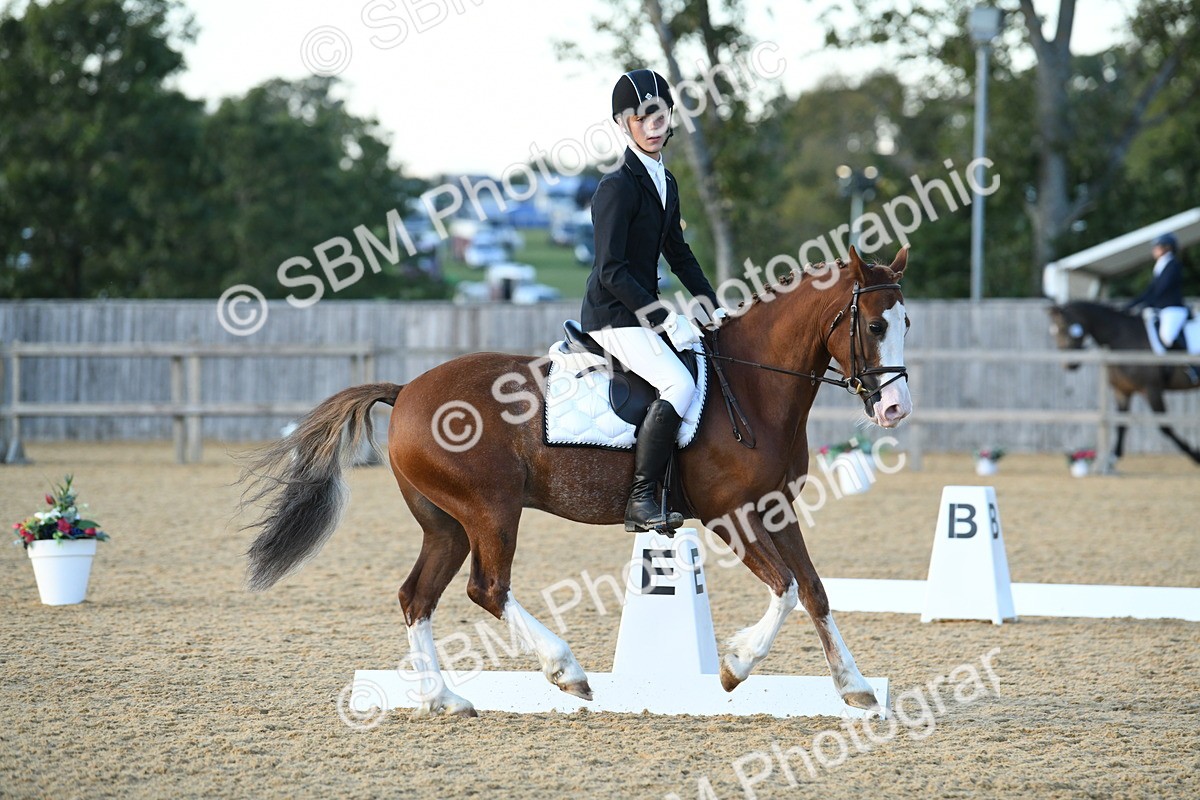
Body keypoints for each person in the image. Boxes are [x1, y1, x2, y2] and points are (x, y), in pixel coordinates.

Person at [581, 68, 727, 533]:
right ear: (624, 124)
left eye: (659, 113)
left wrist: (709, 301)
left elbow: (677, 253)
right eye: (641, 117)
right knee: (679, 386)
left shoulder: (667, 181)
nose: (653, 124)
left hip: (639, 313)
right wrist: (665, 318)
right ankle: (641, 500)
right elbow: (611, 270)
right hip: (614, 315)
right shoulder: (617, 187)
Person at [1126, 232, 1188, 349]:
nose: (1154, 250)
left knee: (1167, 337)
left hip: (1172, 309)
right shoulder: (1160, 265)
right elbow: (1150, 290)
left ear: (1168, 247)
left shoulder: (1173, 264)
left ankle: (1188, 365)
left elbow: (1162, 289)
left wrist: (1146, 303)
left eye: (1157, 246)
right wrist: (1132, 305)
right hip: (1160, 309)